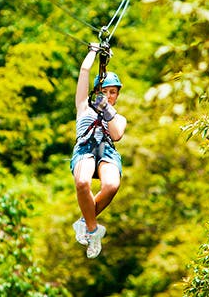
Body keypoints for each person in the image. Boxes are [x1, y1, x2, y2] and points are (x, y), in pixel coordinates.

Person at [69, 43, 127, 259]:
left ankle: (85, 221)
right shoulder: (84, 107)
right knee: (83, 182)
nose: (109, 95)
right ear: (97, 92)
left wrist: (107, 111)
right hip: (86, 148)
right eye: (105, 92)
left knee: (112, 185)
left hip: (106, 152)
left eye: (113, 92)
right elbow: (84, 72)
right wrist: (93, 52)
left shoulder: (119, 117)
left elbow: (117, 134)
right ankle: (93, 231)